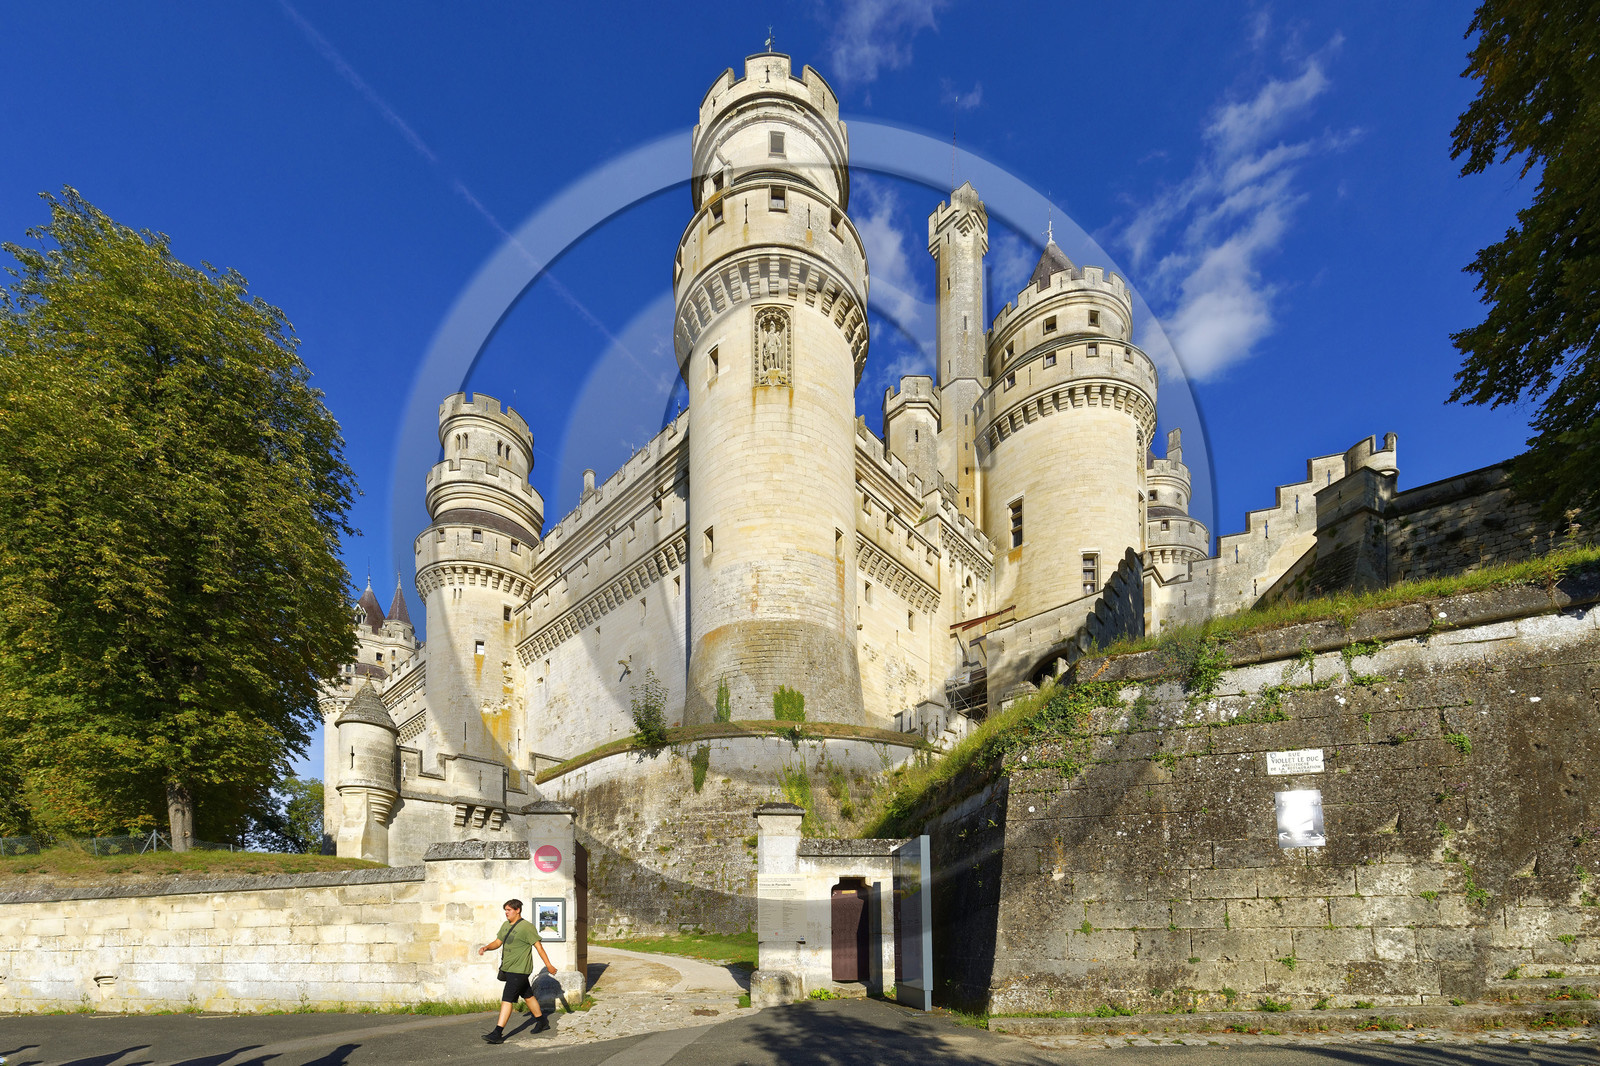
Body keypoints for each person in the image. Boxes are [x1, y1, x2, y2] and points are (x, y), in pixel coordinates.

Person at [478, 898, 555, 1043]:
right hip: (508, 968)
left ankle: (497, 1033)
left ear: (517, 910)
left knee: (507, 998)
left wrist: (548, 965)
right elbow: (498, 942)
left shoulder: (527, 927)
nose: (506, 913)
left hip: (520, 970)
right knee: (528, 995)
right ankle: (542, 1022)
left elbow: (539, 947)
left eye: (509, 910)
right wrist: (486, 947)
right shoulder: (505, 925)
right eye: (505, 910)